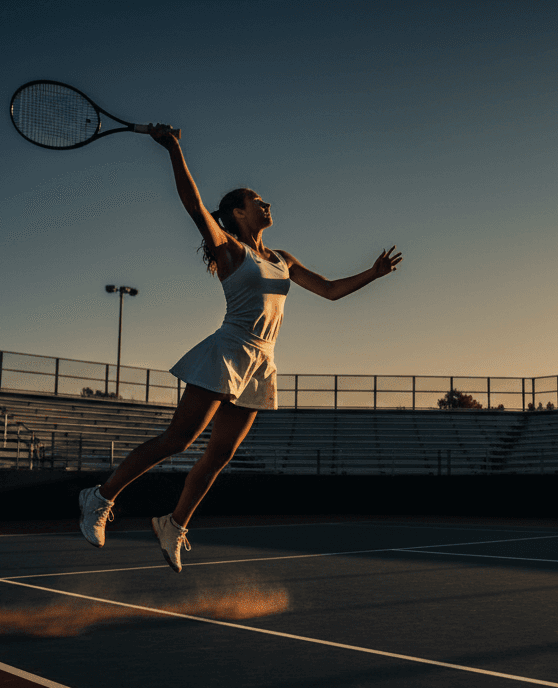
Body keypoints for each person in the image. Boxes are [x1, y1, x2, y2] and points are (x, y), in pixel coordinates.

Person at [77, 124, 403, 571]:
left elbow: (328, 290)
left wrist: (373, 273)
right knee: (179, 439)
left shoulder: (281, 258)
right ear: (236, 213)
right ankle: (100, 496)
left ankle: (173, 524)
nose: (267, 204)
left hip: (262, 360)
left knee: (221, 455)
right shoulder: (230, 250)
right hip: (229, 350)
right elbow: (193, 203)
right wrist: (173, 148)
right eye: (257, 201)